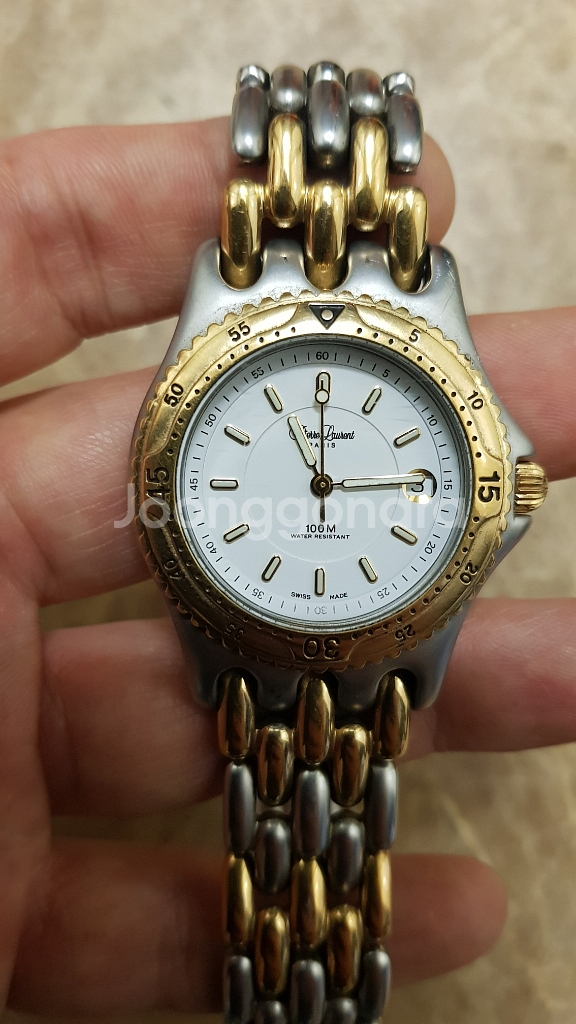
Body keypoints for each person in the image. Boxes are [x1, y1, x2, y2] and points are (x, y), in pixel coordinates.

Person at [0, 117, 573, 1015]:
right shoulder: (338, 293)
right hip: (275, 641)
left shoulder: (248, 291)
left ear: (502, 492)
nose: (321, 486)